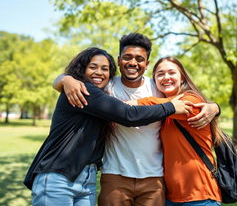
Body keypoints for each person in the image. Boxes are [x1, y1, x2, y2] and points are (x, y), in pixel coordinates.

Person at [53, 33, 220, 206]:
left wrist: (214, 107)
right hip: (115, 176)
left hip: (154, 178)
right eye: (127, 57)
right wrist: (66, 79)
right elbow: (78, 89)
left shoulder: (157, 87)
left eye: (139, 59)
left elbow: (183, 102)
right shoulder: (106, 86)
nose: (133, 63)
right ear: (118, 61)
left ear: (147, 64)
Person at [23, 47, 191, 206]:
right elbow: (128, 115)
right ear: (82, 70)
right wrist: (171, 107)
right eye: (93, 67)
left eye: (105, 69)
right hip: (59, 174)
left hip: (86, 179)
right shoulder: (83, 90)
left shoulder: (101, 96)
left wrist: (213, 108)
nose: (99, 72)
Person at [137, 56, 225, 205]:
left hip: (200, 195)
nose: (166, 77)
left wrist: (126, 105)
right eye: (160, 74)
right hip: (171, 197)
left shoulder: (192, 100)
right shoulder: (163, 114)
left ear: (182, 77)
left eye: (171, 72)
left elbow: (157, 103)